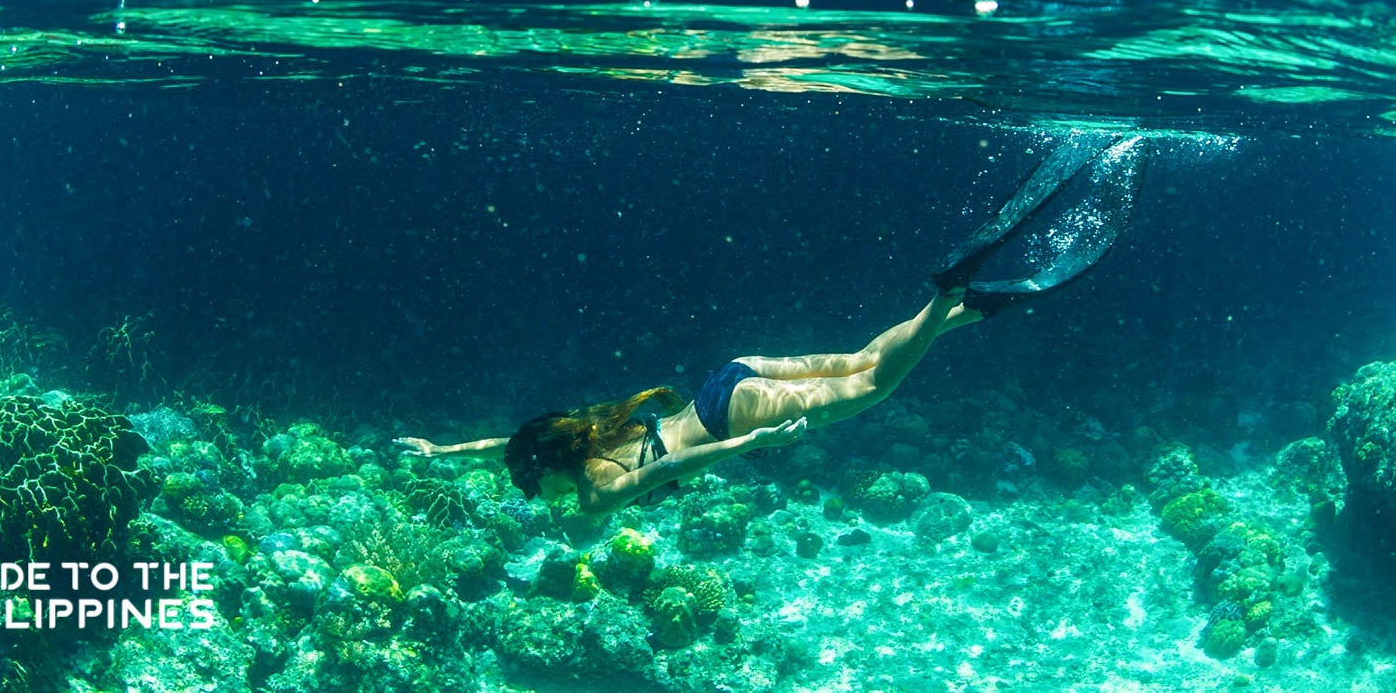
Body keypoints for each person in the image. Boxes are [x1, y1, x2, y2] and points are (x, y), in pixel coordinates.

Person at [396, 135, 1144, 515]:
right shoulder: (582, 432)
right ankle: (957, 309)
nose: (546, 503)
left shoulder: (593, 489)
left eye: (540, 493)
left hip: (734, 416)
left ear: (549, 474)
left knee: (875, 387)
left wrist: (756, 442)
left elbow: (671, 468)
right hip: (731, 375)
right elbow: (511, 443)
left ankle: (951, 293)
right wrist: (439, 453)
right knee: (859, 359)